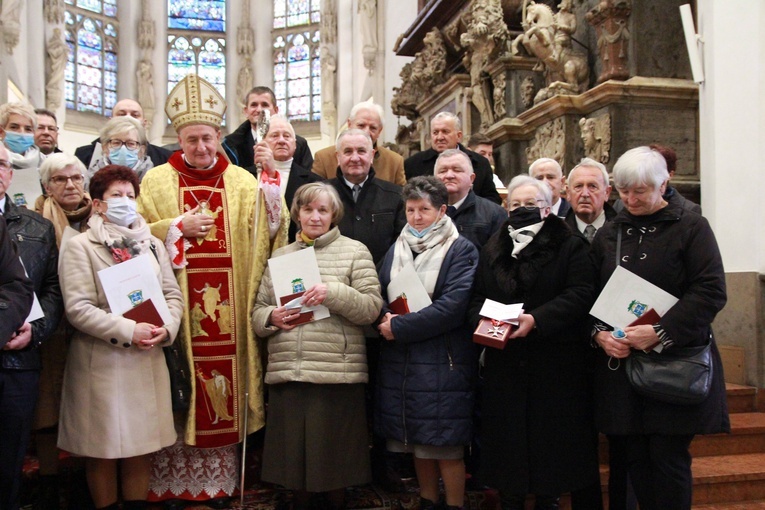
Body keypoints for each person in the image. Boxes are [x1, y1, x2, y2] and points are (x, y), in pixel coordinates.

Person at [138, 74, 288, 507]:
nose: (200, 148)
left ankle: (220, 484)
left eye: (206, 138)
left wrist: (273, 195)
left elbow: (267, 238)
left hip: (231, 313)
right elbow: (135, 236)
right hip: (180, 314)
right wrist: (175, 228)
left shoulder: (242, 182)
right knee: (182, 394)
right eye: (191, 140)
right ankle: (171, 484)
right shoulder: (157, 182)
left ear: (219, 135)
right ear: (178, 140)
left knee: (222, 392)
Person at [590, 146, 728, 510]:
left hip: (674, 365)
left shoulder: (692, 226)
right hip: (623, 369)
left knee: (668, 461)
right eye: (623, 191)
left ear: (664, 183)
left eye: (640, 191)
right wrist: (599, 336)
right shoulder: (608, 234)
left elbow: (711, 291)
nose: (631, 199)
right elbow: (587, 295)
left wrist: (661, 331)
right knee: (634, 460)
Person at [467, 175, 600, 510]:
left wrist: (537, 320)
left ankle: (548, 501)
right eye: (515, 205)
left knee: (550, 451)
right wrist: (487, 325)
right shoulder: (494, 247)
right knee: (507, 451)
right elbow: (476, 298)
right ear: (505, 208)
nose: (522, 210)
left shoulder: (569, 244)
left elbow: (582, 292)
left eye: (530, 205)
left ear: (547, 208)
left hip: (555, 364)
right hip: (506, 364)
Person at [57, 165, 184, 510]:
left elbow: (173, 295)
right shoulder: (80, 246)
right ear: (97, 204)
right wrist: (130, 330)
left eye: (130, 195)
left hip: (147, 359)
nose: (125, 202)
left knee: (142, 448)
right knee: (104, 449)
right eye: (116, 195)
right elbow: (78, 309)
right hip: (103, 363)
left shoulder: (153, 245)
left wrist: (166, 327)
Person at [252, 182, 383, 509]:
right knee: (294, 459)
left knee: (335, 459)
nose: (314, 216)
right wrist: (272, 317)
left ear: (333, 214)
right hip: (290, 371)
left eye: (322, 210)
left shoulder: (355, 251)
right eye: (308, 209)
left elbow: (370, 309)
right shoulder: (280, 255)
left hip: (335, 372)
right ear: (296, 213)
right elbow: (257, 312)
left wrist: (333, 293)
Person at [376, 176, 478, 510]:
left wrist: (400, 326)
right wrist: (384, 317)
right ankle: (427, 500)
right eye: (411, 209)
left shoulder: (460, 248)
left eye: (425, 209)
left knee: (445, 445)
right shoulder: (398, 246)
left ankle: (454, 504)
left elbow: (452, 308)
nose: (417, 217)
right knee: (417, 441)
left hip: (442, 359)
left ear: (442, 210)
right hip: (404, 362)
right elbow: (380, 289)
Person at [31, 153, 94, 508]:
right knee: (48, 402)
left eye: (75, 178)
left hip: (92, 325)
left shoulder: (100, 218)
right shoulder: (33, 221)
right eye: (59, 179)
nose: (70, 185)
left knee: (88, 401)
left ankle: (87, 477)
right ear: (46, 186)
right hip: (51, 326)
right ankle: (49, 479)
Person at [0, 143, 54, 510]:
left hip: (18, 361)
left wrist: (36, 330)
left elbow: (52, 290)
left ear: (11, 173)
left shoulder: (38, 227)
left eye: (1, 164)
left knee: (8, 461)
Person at [328, 129, 406, 265]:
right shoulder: (321, 195)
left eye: (361, 151)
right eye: (347, 151)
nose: (355, 158)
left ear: (372, 155)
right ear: (337, 157)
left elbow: (401, 247)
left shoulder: (396, 196)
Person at [404, 112, 501, 205]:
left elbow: (492, 198)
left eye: (445, 132)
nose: (439, 137)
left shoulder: (480, 163)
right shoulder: (413, 164)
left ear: (459, 136)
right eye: (435, 132)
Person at [254, 114, 322, 240]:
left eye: (287, 136)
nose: (281, 140)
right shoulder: (249, 177)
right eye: (274, 135)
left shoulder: (314, 182)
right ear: (262, 142)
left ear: (295, 144)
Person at [312, 101, 406, 186]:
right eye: (361, 125)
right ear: (349, 124)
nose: (366, 131)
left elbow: (402, 199)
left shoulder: (394, 162)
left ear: (380, 131)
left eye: (373, 128)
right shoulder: (323, 158)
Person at [224, 86, 313, 171]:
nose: (259, 110)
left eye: (264, 105)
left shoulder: (299, 144)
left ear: (276, 110)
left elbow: (307, 179)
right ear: (246, 111)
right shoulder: (232, 145)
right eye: (254, 105)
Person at [435, 148, 506, 249]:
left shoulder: (495, 214)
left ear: (471, 178)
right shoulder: (422, 213)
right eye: (443, 171)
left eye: (457, 170)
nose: (449, 175)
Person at [74, 98, 171, 169]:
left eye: (135, 115)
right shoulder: (84, 154)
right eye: (121, 114)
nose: (127, 118)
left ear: (144, 123)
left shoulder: (164, 157)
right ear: (110, 120)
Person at [613, 144, 701, 216]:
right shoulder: (619, 206)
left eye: (639, 191)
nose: (631, 200)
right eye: (625, 191)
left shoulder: (689, 212)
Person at [86, 115, 154, 184]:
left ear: (142, 150)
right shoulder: (90, 179)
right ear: (105, 148)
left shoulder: (153, 180)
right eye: (116, 142)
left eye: (131, 143)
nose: (123, 149)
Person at [0, 102, 44, 206]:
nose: (21, 133)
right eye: (14, 127)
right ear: (1, 131)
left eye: (28, 129)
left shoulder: (44, 162)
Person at [564, 158, 616, 243]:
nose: (585, 194)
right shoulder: (556, 236)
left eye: (592, 186)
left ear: (606, 193)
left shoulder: (623, 232)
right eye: (578, 186)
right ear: (568, 193)